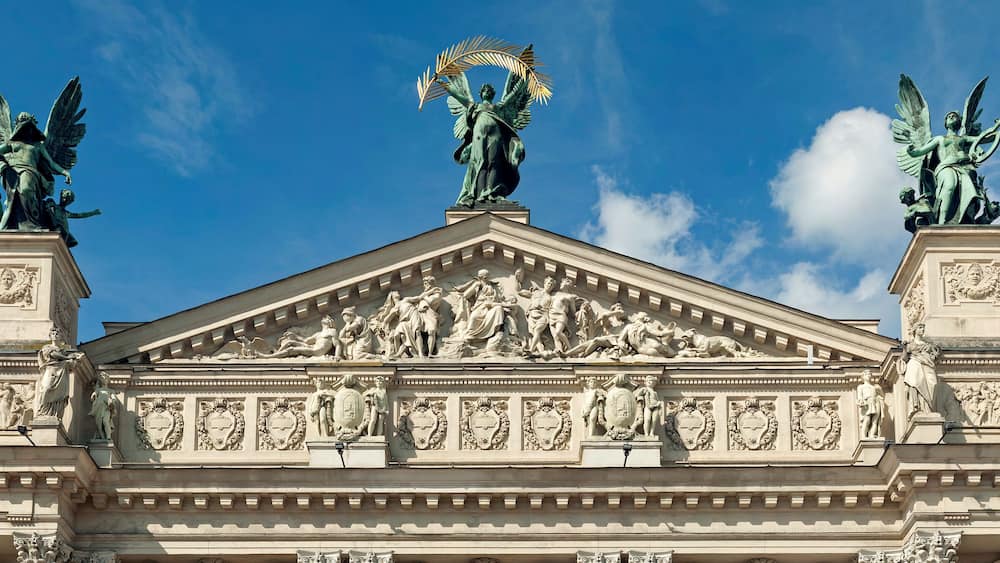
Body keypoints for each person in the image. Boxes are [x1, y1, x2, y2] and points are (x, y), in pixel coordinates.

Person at [0, 113, 73, 231]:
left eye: (30, 128)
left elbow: (51, 163)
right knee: (13, 200)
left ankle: (32, 224)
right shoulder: (12, 144)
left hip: (31, 172)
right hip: (14, 171)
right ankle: (15, 224)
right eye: (25, 128)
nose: (28, 131)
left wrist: (64, 172)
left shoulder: (38, 146)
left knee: (26, 190)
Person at [35, 327, 83, 420]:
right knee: (46, 389)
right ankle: (43, 412)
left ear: (60, 336)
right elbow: (53, 354)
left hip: (61, 374)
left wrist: (77, 359)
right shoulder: (47, 348)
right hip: (50, 371)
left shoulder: (63, 351)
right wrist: (68, 358)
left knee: (60, 396)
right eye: (53, 333)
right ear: (50, 336)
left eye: (57, 333)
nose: (55, 335)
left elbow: (71, 365)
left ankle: (53, 415)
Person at [897, 323, 940, 417]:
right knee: (915, 383)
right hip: (914, 364)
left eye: (923, 328)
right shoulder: (910, 345)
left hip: (928, 366)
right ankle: (918, 408)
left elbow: (934, 357)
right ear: (915, 330)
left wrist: (934, 354)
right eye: (920, 328)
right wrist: (904, 348)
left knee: (932, 385)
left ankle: (929, 408)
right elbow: (904, 358)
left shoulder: (928, 345)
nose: (922, 330)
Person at [260, 315, 338, 358]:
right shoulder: (318, 334)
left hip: (317, 351)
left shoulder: (332, 332)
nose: (325, 320)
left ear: (330, 323)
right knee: (290, 342)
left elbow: (337, 345)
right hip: (312, 347)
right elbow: (306, 341)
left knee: (292, 349)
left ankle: (268, 357)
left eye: (328, 319)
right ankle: (277, 353)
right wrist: (295, 336)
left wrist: (337, 356)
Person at [856, 370, 884, 439]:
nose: (868, 376)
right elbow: (859, 397)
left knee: (875, 421)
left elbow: (882, 396)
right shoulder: (861, 387)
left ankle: (872, 435)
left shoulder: (874, 387)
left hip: (876, 402)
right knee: (867, 420)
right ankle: (864, 436)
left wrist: (880, 390)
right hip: (867, 403)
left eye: (869, 374)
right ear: (863, 377)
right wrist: (861, 402)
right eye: (867, 374)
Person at [89, 371, 117, 441]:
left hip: (106, 408)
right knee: (98, 424)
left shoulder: (110, 391)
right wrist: (93, 395)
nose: (104, 380)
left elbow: (114, 398)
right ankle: (102, 437)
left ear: (108, 380)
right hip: (98, 407)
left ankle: (108, 437)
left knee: (105, 421)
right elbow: (92, 396)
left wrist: (112, 403)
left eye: (105, 379)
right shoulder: (98, 390)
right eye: (102, 379)